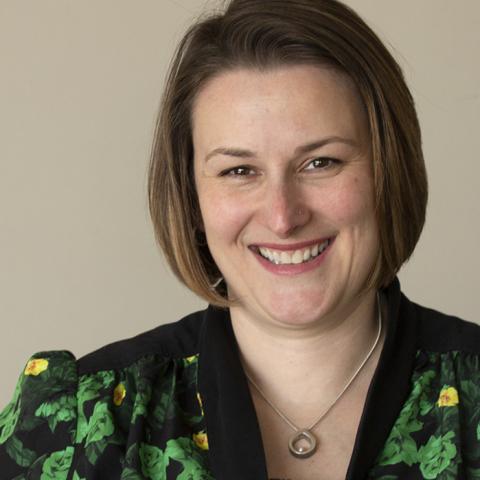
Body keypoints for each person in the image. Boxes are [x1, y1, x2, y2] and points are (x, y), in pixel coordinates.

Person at [1, 0, 479, 478]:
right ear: (192, 197)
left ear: (390, 170)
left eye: (321, 162)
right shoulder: (81, 423)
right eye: (239, 170)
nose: (283, 215)